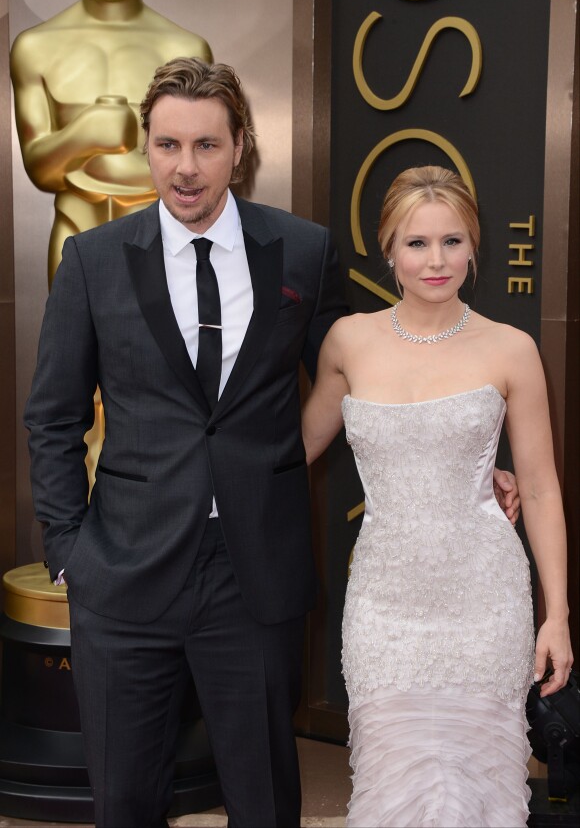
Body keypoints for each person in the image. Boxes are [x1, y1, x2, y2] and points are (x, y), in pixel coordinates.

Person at [24, 63, 518, 827]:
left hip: (253, 575)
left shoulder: (300, 250)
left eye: (207, 145)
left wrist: (471, 454)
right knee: (123, 803)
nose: (186, 167)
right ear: (147, 150)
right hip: (122, 574)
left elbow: (371, 372)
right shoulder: (93, 262)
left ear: (240, 148)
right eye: (168, 145)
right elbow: (52, 416)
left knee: (263, 803)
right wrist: (68, 549)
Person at [302, 165, 573, 827]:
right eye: (417, 242)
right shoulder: (348, 341)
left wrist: (557, 613)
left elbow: (538, 487)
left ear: (474, 246)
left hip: (485, 607)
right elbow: (289, 456)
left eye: (452, 241)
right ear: (387, 247)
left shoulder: (512, 350)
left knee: (477, 795)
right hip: (384, 611)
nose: (436, 260)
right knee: (394, 790)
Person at [10, 0, 213, 284]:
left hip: (159, 236)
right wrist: (85, 134)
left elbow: (195, 163)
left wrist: (97, 159)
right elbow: (39, 169)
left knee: (158, 335)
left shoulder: (185, 49)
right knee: (70, 334)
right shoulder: (35, 47)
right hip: (74, 228)